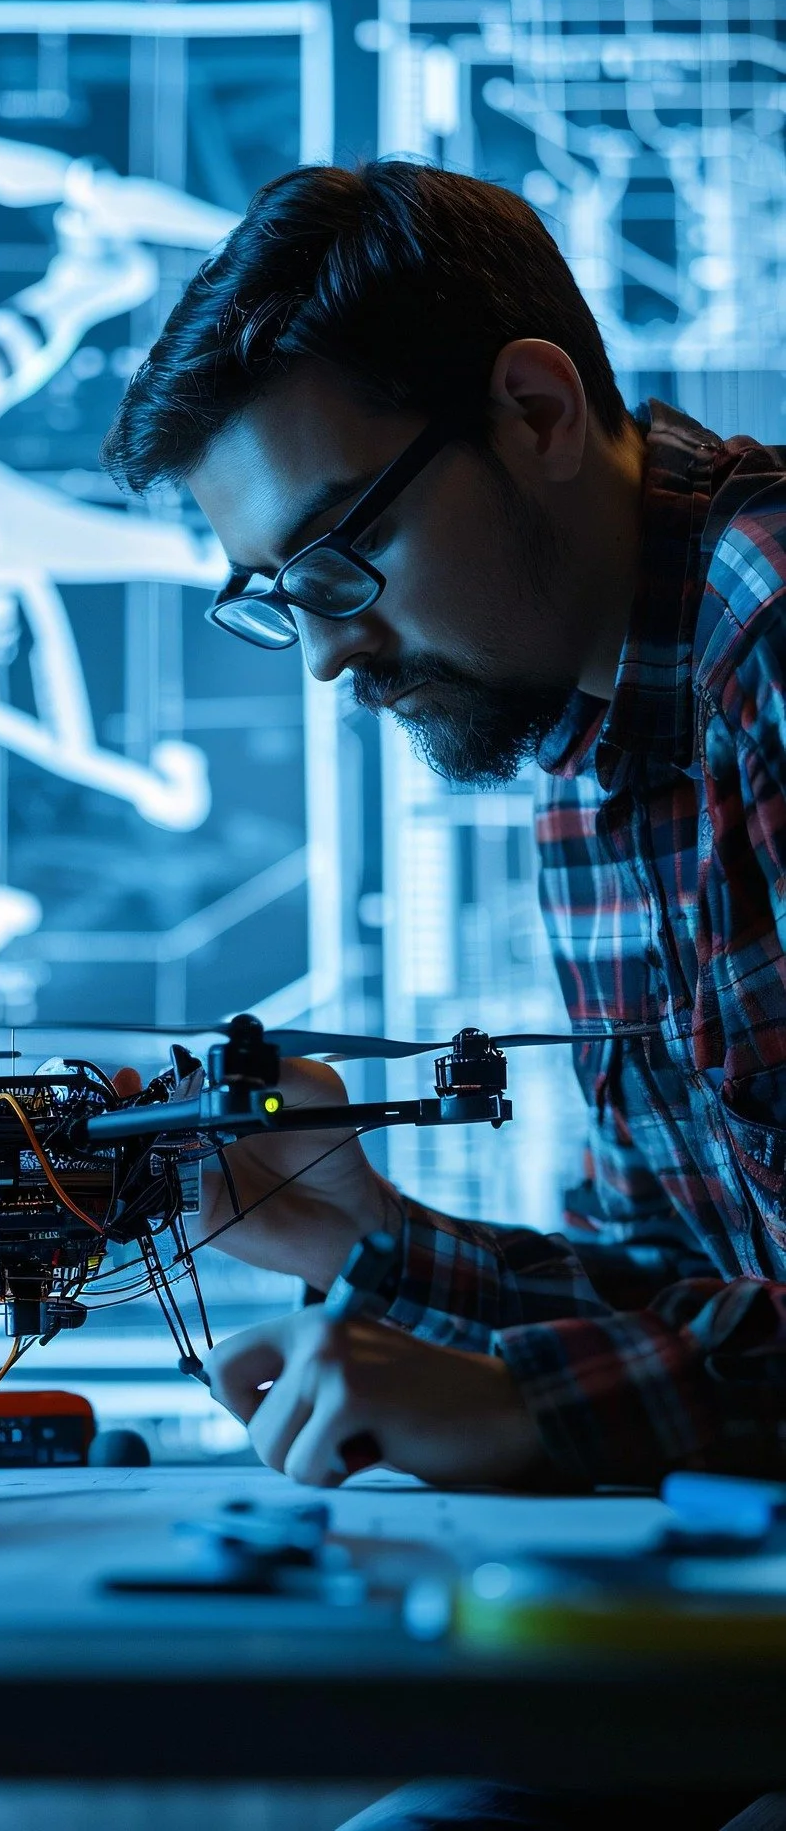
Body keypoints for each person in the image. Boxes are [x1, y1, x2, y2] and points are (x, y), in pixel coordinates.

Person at [102, 160, 786, 1831]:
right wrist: (360, 1236)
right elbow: (700, 1297)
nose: (332, 654)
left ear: (536, 408)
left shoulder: (770, 645)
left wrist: (529, 1408)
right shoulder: (585, 706)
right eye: (279, 599)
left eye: (338, 560)